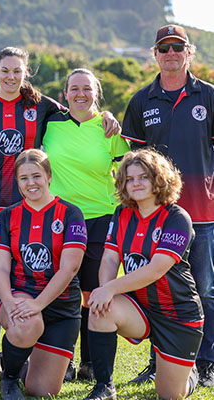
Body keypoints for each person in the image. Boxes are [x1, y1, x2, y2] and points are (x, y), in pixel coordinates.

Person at [0, 48, 117, 379]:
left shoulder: (43, 106)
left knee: (47, 277)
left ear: (26, 73)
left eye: (17, 71)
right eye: (5, 70)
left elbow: (81, 112)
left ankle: (61, 353)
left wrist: (106, 114)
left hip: (36, 209)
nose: (10, 76)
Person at [121, 24, 214, 387]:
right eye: (164, 48)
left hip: (202, 213)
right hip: (156, 216)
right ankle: (158, 363)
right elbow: (133, 160)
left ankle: (206, 363)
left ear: (189, 52)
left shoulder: (208, 95)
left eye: (178, 47)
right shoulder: (141, 100)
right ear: (155, 55)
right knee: (156, 291)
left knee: (204, 290)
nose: (171, 53)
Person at [85, 149, 202, 400]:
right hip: (140, 308)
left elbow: (156, 269)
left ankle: (190, 373)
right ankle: (105, 387)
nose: (135, 183)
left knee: (170, 394)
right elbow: (109, 258)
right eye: (129, 179)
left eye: (143, 177)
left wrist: (110, 289)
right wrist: (104, 290)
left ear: (159, 178)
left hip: (177, 313)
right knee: (100, 310)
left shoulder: (177, 217)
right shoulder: (122, 213)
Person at [41, 68, 129, 380]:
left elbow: (127, 173)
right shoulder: (49, 123)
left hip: (100, 219)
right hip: (59, 219)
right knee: (60, 291)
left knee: (93, 294)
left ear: (96, 93)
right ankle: (61, 359)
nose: (81, 94)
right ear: (65, 94)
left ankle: (91, 362)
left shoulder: (109, 129)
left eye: (87, 89)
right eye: (74, 89)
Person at [0, 149, 87, 400]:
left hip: (61, 308)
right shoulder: (8, 215)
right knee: (27, 324)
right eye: (23, 178)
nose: (30, 183)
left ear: (49, 176)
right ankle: (9, 377)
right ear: (17, 182)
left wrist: (39, 304)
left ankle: (20, 357)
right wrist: (9, 302)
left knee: (42, 390)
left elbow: (70, 268)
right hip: (20, 295)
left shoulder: (71, 213)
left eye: (36, 176)